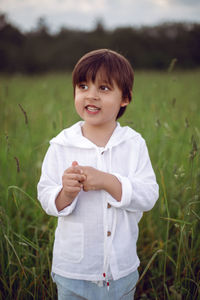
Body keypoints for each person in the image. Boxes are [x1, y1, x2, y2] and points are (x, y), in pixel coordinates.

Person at [37, 49, 159, 300]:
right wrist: (66, 193)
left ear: (125, 98)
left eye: (103, 88)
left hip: (120, 273)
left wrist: (108, 181)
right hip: (74, 272)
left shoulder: (133, 144)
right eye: (83, 86)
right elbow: (46, 196)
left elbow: (148, 195)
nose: (90, 95)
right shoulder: (61, 145)